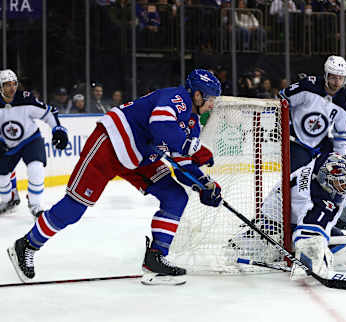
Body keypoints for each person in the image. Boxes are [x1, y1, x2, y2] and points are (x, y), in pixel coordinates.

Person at [7, 69, 223, 285]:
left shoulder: (193, 122)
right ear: (197, 94)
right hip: (111, 143)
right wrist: (192, 148)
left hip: (140, 157)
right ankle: (27, 245)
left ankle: (155, 258)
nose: (212, 104)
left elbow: (182, 162)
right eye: (211, 98)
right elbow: (161, 127)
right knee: (74, 208)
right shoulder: (177, 98)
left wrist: (203, 184)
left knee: (175, 196)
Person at [229, 153, 346, 278]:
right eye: (341, 182)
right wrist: (317, 261)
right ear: (326, 181)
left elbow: (326, 158)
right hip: (275, 224)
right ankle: (257, 240)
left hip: (283, 213)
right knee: (333, 244)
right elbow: (308, 238)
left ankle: (265, 237)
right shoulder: (313, 201)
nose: (344, 187)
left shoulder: (319, 167)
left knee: (336, 235)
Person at [0, 69, 68, 217]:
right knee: (2, 177)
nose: (12, 88)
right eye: (7, 84)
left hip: (30, 140)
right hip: (7, 144)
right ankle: (9, 199)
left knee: (35, 168)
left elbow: (49, 112)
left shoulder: (25, 98)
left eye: (14, 84)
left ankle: (35, 203)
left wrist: (58, 129)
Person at [279, 55, 346, 173]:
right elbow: (283, 99)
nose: (337, 82)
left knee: (332, 175)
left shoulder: (344, 101)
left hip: (320, 145)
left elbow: (342, 134)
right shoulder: (308, 86)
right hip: (296, 140)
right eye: (333, 77)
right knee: (298, 179)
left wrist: (343, 157)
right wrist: (286, 124)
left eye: (341, 78)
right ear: (326, 75)